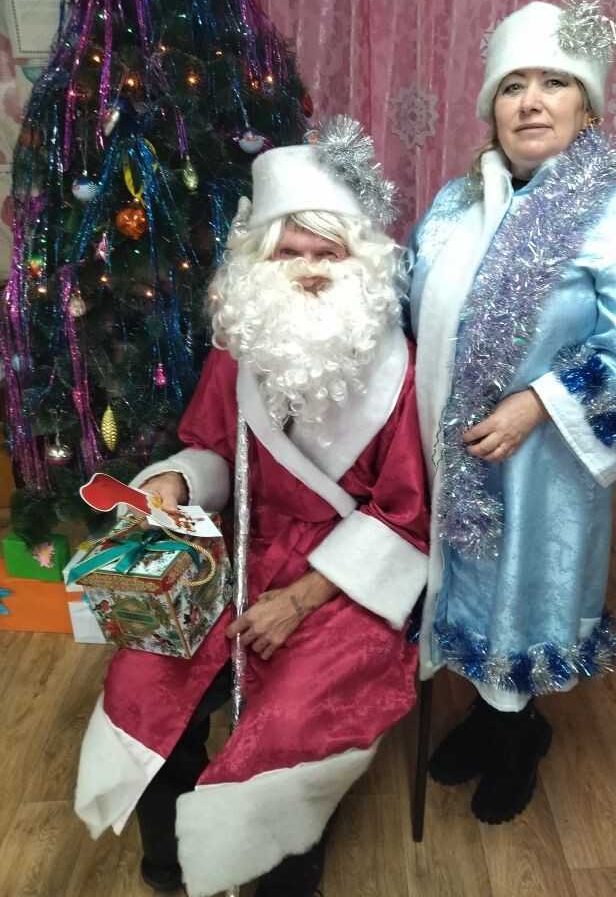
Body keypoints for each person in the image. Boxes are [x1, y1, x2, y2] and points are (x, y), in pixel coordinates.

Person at [74, 119, 430, 897]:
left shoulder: (400, 375)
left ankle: (275, 875)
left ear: (360, 261)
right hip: (243, 546)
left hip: (340, 579)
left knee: (297, 715)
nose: (308, 272)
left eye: (327, 254)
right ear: (261, 261)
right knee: (144, 674)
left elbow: (404, 517)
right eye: (288, 254)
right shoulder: (239, 351)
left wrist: (300, 600)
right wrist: (175, 482)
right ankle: (172, 859)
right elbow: (210, 448)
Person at [408, 0, 616, 824]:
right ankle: (490, 718)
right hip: (447, 450)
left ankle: (517, 736)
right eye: (512, 85)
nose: (531, 102)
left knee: (520, 597)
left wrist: (538, 401)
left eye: (554, 83)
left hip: (544, 466)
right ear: (491, 108)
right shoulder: (454, 206)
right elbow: (408, 305)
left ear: (586, 108)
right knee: (462, 588)